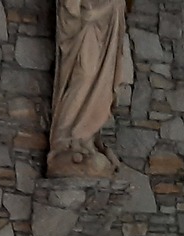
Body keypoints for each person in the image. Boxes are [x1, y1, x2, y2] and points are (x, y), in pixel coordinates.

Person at [48, 0, 133, 177]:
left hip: (106, 29)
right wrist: (108, 6)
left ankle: (86, 136)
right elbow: (75, 12)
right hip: (84, 31)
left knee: (102, 83)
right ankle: (64, 138)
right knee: (84, 76)